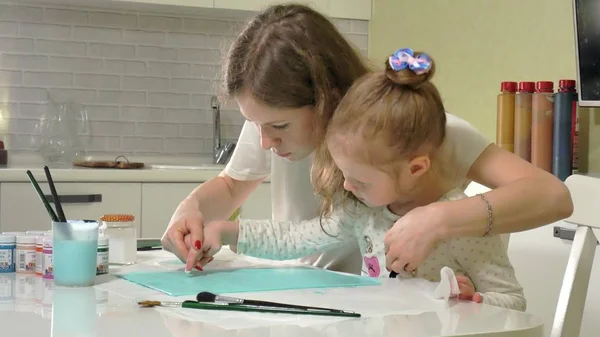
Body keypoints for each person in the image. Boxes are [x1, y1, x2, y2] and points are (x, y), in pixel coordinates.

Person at [161, 3, 573, 274]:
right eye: (257, 125)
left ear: (325, 99)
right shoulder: (271, 122)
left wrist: (434, 219)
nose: (266, 142)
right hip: (290, 290)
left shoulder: (412, 133)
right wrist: (191, 208)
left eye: (279, 127)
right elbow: (233, 186)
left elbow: (551, 195)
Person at [196, 48, 526, 311]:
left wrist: (473, 302)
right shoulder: (364, 211)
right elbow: (297, 238)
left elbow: (511, 300)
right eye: (346, 176)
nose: (348, 188)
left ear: (416, 168)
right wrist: (228, 232)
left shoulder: (460, 224)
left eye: (360, 181)